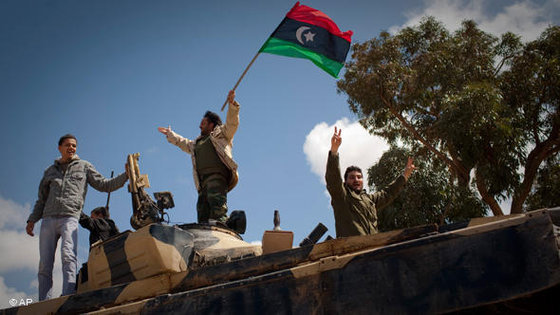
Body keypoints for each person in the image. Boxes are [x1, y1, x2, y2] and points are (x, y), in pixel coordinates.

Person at [25, 134, 128, 301]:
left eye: (74, 145)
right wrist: (31, 220)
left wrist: (126, 175)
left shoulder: (84, 166)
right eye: (67, 145)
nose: (71, 148)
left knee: (68, 256)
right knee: (45, 264)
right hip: (48, 220)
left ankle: (68, 295)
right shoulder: (49, 172)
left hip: (70, 217)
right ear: (60, 148)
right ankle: (43, 301)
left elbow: (104, 184)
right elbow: (41, 200)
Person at [158, 90, 240, 224]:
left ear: (211, 124)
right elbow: (183, 143)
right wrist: (170, 134)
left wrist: (231, 105)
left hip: (217, 176)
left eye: (203, 123)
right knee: (202, 209)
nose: (200, 125)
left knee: (217, 205)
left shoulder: (221, 135)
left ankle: (222, 225)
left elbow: (232, 124)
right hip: (203, 182)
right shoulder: (197, 143)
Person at [325, 127, 416, 238]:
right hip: (350, 248)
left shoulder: (369, 200)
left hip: (372, 247)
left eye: (359, 177)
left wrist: (405, 175)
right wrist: (334, 152)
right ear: (346, 181)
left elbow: (388, 193)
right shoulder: (342, 197)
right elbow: (333, 180)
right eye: (352, 178)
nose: (356, 180)